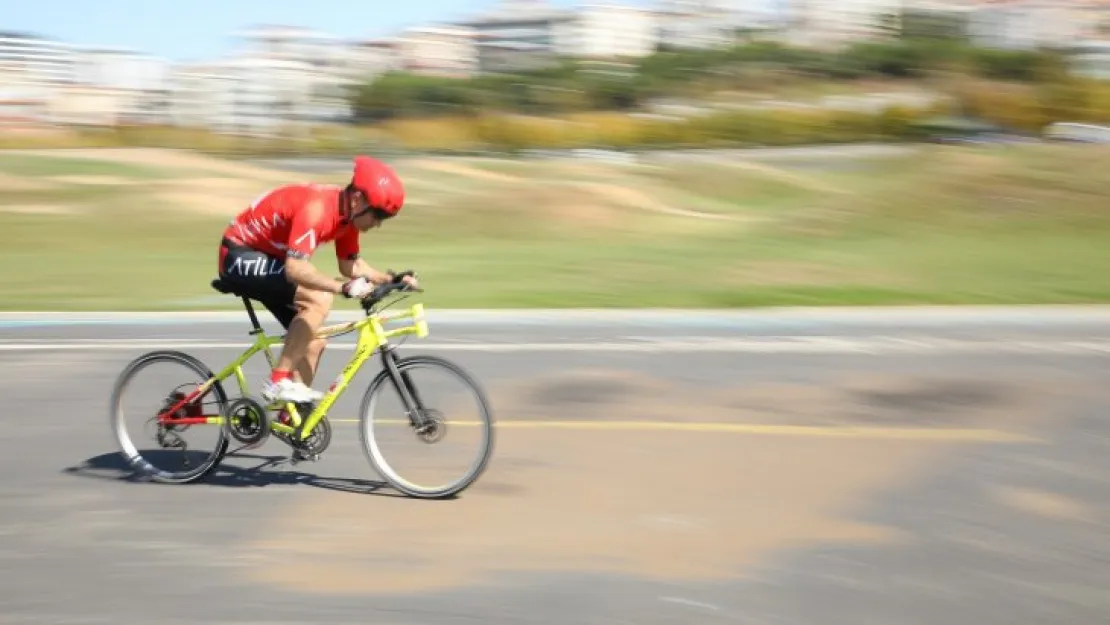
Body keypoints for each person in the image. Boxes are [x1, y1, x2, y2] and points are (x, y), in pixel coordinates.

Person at [216, 155, 418, 405]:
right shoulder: (317, 210)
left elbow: (350, 265)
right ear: (358, 200)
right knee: (318, 298)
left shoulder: (348, 220)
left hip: (269, 258)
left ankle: (292, 418)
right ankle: (277, 381)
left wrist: (391, 279)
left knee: (314, 342)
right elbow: (295, 268)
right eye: (377, 215)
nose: (377, 224)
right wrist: (340, 288)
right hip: (238, 254)